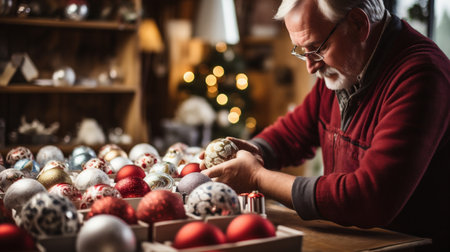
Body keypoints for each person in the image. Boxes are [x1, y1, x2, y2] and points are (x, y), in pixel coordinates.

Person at [200, 0, 450, 251]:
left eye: (317, 47)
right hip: (356, 241)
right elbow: (291, 135)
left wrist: (257, 177)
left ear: (358, 23)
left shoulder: (421, 74)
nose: (310, 66)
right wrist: (248, 152)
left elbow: (369, 198)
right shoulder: (347, 65)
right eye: (301, 51)